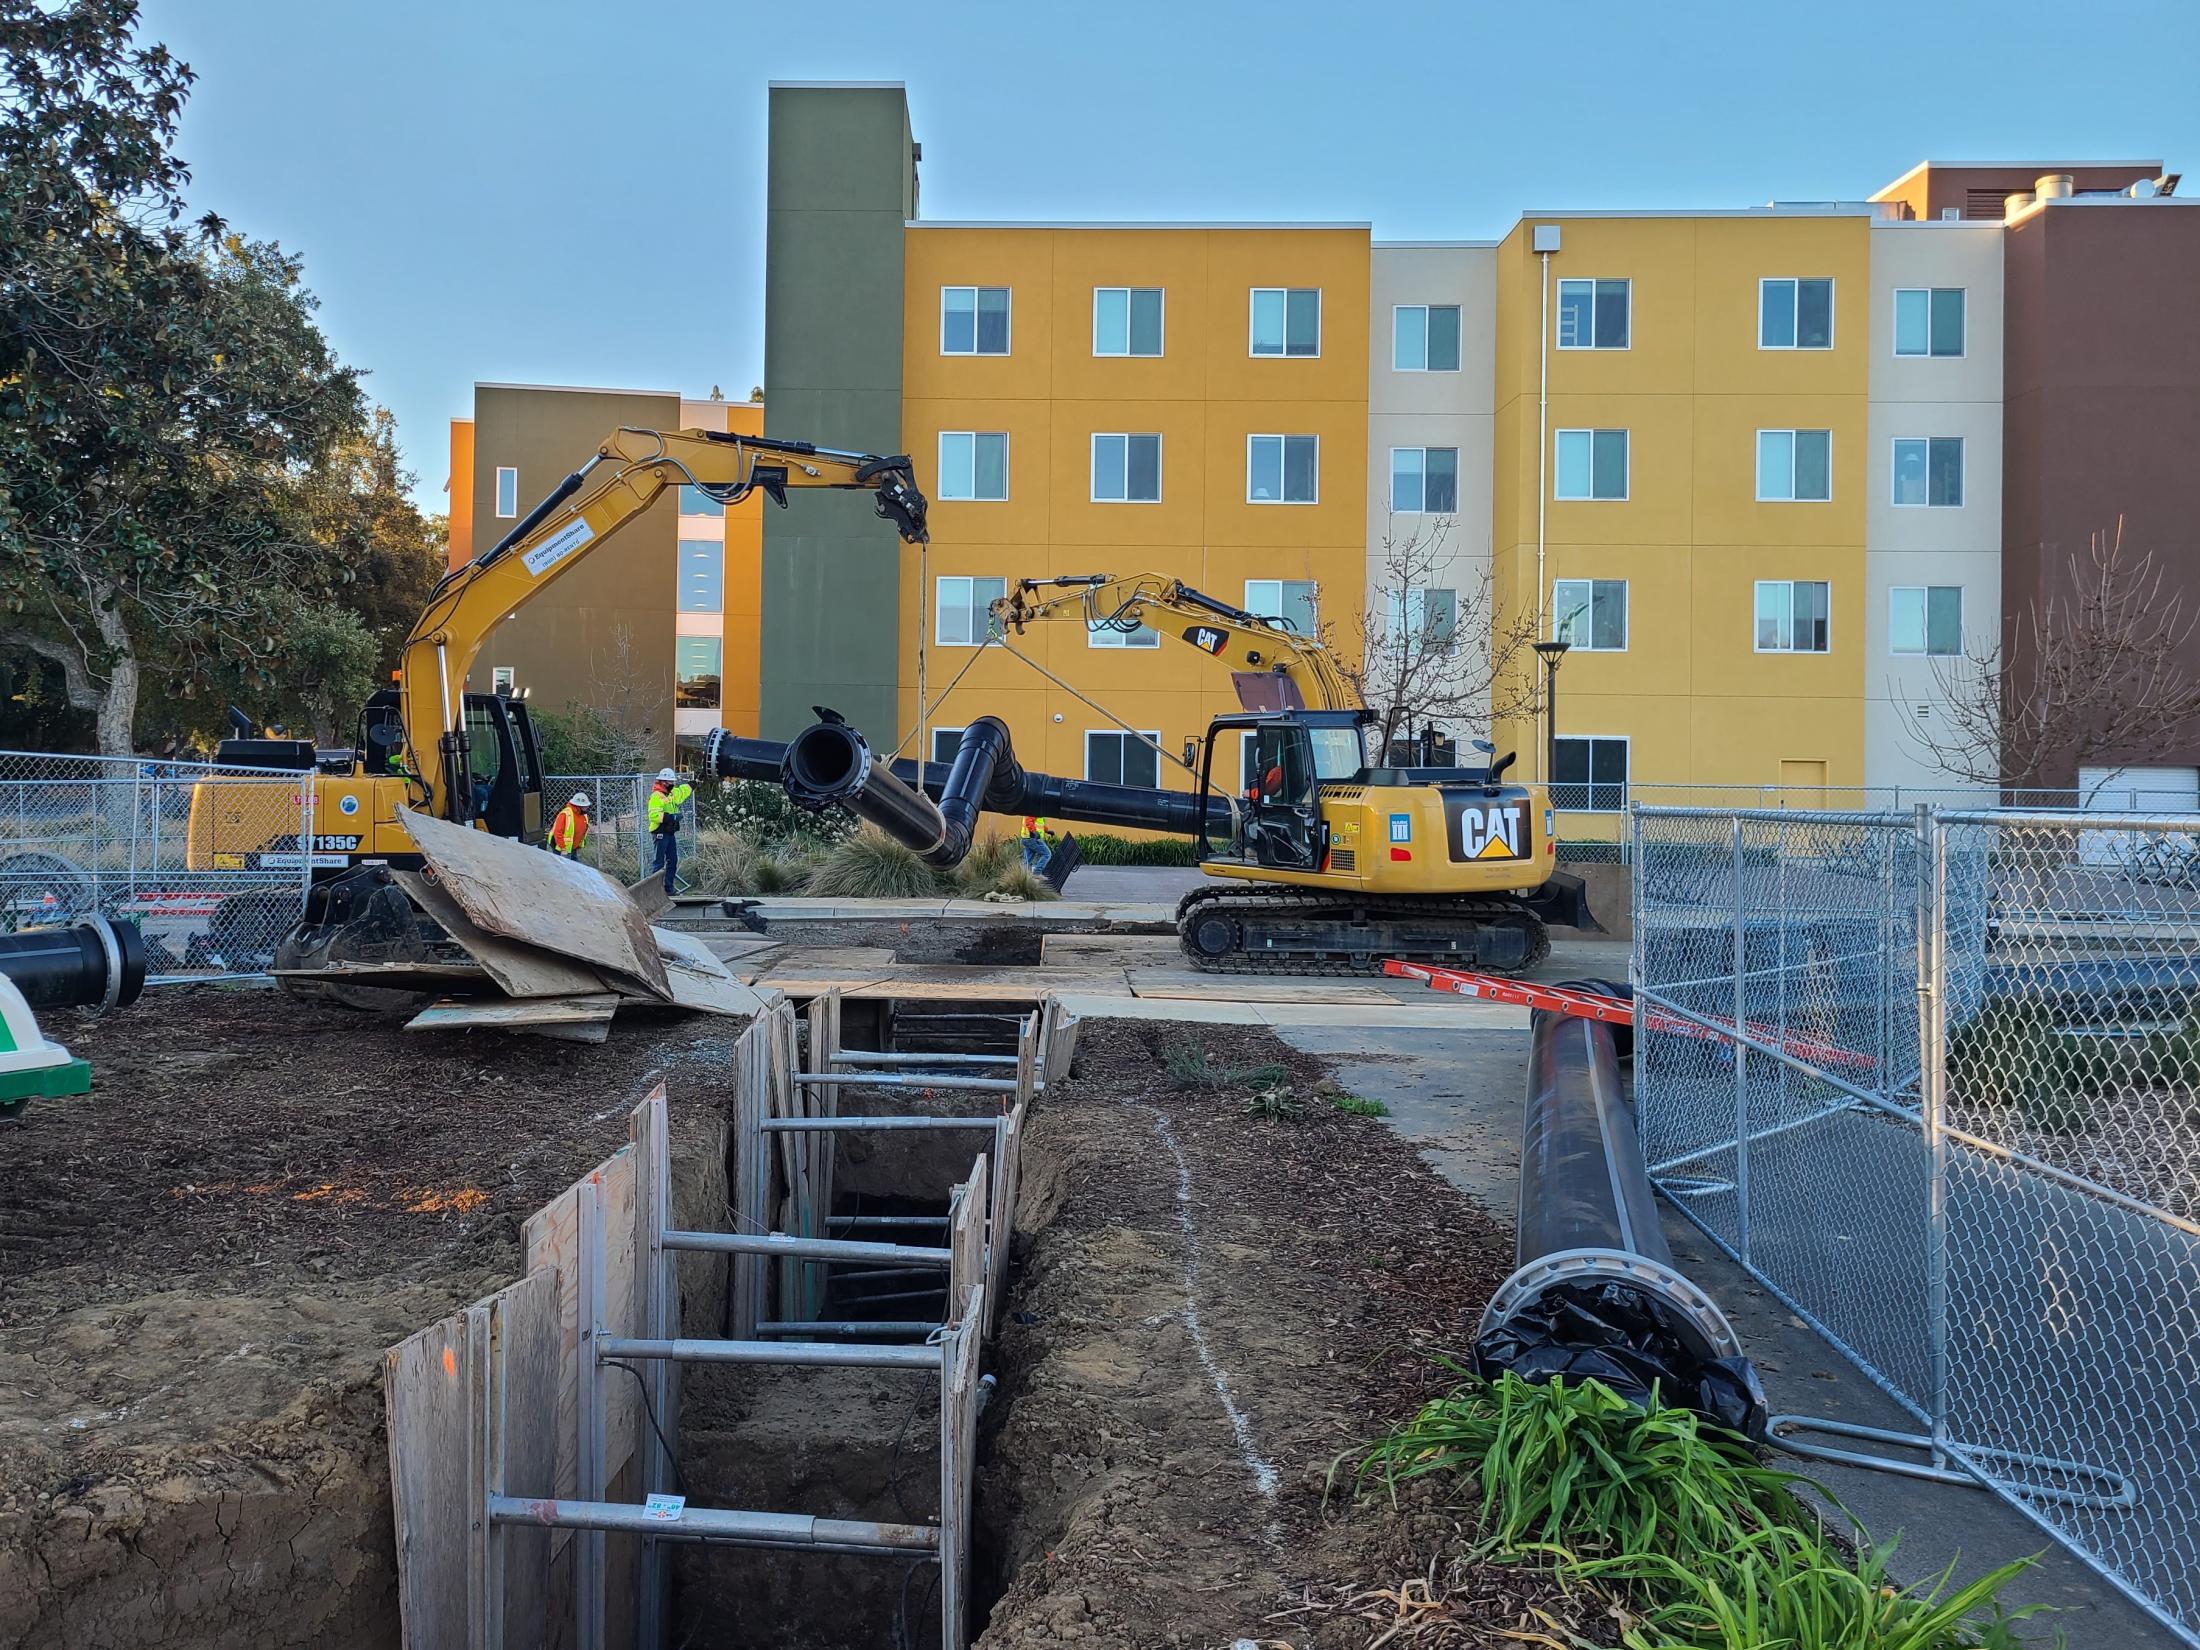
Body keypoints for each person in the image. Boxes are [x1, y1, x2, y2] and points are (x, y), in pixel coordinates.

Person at [648, 766, 692, 889]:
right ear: (663, 782)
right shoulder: (656, 796)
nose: (672, 784)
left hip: (669, 832)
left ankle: (668, 887)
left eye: (673, 782)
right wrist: (671, 817)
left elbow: (682, 792)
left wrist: (693, 784)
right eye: (670, 782)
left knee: (672, 860)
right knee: (659, 862)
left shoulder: (671, 793)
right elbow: (654, 815)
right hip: (660, 832)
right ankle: (655, 890)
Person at [549, 790, 591, 858]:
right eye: (585, 806)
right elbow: (558, 832)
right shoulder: (565, 814)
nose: (587, 807)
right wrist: (563, 848)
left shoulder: (583, 816)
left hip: (572, 847)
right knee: (563, 867)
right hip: (561, 848)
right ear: (578, 806)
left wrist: (579, 845)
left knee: (574, 866)